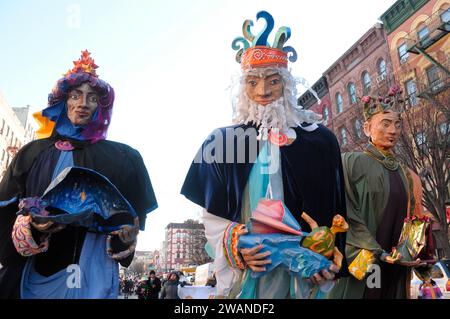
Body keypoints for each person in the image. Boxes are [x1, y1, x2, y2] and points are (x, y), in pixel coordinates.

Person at [181, 11, 347, 299]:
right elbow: (213, 214)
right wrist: (236, 245)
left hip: (303, 273)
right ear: (242, 88)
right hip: (250, 270)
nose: (263, 91)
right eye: (253, 82)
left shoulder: (319, 140)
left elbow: (336, 207)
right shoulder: (225, 141)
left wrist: (329, 254)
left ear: (286, 84)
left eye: (273, 81)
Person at [0, 50, 157, 299]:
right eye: (76, 95)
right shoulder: (32, 153)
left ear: (100, 107)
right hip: (31, 273)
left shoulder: (123, 158)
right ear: (63, 101)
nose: (83, 104)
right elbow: (4, 215)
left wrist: (124, 238)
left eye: (92, 98)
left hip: (91, 274)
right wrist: (31, 227)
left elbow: (126, 229)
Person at [329, 87, 434, 299]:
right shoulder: (350, 162)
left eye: (397, 124)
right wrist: (376, 252)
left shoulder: (410, 175)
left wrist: (414, 255)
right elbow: (342, 212)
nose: (393, 130)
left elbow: (416, 222)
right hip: (361, 266)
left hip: (396, 271)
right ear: (367, 128)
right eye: (385, 124)